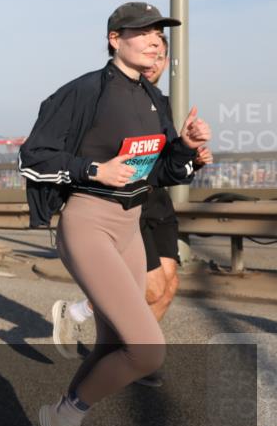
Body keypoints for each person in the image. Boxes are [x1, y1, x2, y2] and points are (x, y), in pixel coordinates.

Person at [19, 2, 211, 426]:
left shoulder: (152, 99)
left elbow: (160, 172)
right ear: (113, 38)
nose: (154, 41)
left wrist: (186, 149)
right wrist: (93, 169)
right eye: (143, 32)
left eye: (159, 35)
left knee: (113, 343)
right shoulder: (85, 91)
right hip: (89, 222)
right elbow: (32, 157)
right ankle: (62, 418)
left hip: (131, 224)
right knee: (147, 349)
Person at [51, 36, 215, 387]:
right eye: (149, 49)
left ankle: (130, 350)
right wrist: (96, 171)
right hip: (126, 204)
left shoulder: (160, 103)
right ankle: (126, 340)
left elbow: (168, 163)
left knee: (169, 286)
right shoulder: (108, 97)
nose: (154, 60)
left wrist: (191, 157)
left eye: (161, 53)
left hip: (158, 202)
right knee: (151, 288)